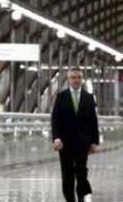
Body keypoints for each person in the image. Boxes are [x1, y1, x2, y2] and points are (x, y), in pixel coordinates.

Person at [51, 67, 99, 202]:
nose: (76, 80)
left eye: (79, 77)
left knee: (81, 171)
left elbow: (93, 121)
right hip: (65, 142)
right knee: (67, 173)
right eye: (73, 77)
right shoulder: (61, 97)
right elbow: (55, 120)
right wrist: (56, 138)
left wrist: (94, 142)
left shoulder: (89, 98)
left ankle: (82, 196)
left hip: (83, 142)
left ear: (82, 79)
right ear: (68, 79)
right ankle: (70, 199)